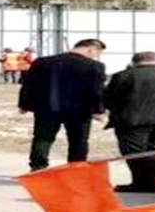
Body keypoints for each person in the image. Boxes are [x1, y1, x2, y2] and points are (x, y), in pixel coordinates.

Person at [19, 39, 107, 170]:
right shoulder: (94, 66)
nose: (96, 57)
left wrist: (24, 104)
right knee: (78, 140)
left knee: (43, 138)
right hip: (79, 110)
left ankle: (38, 167)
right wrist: (98, 110)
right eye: (97, 53)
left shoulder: (42, 62)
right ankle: (76, 168)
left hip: (47, 108)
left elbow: (28, 84)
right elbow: (97, 90)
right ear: (91, 49)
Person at [104, 52, 155, 193]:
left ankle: (140, 184)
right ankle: (152, 183)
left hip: (132, 120)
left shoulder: (123, 76)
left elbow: (109, 98)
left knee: (134, 153)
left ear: (134, 61)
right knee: (151, 151)